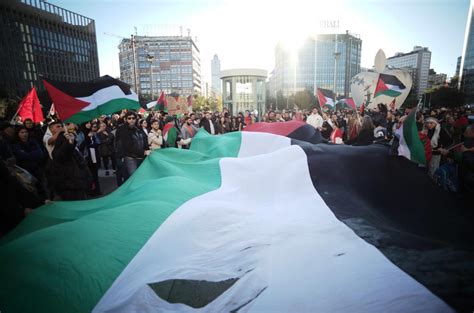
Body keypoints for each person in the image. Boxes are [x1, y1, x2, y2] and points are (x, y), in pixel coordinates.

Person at [49, 123, 92, 200]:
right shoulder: (59, 148)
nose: (61, 128)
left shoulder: (73, 148)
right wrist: (68, 143)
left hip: (78, 182)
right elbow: (61, 155)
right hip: (70, 184)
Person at [116, 111, 150, 180]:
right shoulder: (122, 129)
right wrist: (144, 152)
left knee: (141, 177)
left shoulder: (138, 128)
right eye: (129, 118)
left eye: (133, 118)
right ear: (126, 119)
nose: (131, 120)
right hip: (130, 157)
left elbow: (143, 140)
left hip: (140, 157)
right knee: (134, 178)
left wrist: (147, 149)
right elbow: (128, 146)